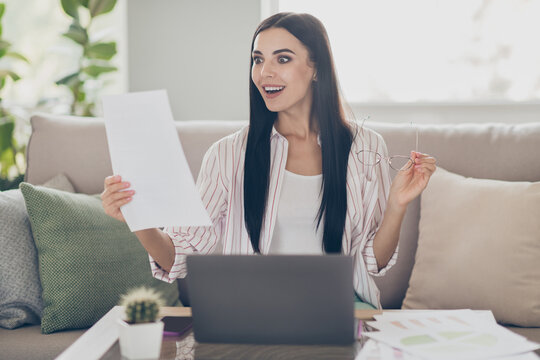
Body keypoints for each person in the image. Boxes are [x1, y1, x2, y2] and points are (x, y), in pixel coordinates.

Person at [101, 12, 436, 309]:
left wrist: (396, 205)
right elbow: (179, 255)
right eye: (258, 60)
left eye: (283, 59)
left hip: (342, 309)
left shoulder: (365, 147)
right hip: (252, 311)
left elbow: (373, 261)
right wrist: (138, 215)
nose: (265, 73)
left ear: (315, 67)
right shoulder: (228, 154)